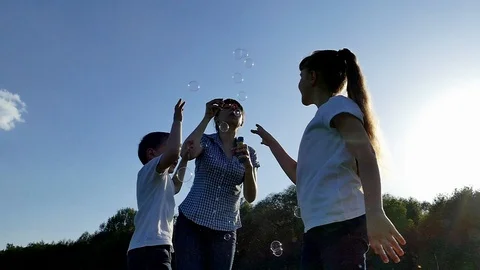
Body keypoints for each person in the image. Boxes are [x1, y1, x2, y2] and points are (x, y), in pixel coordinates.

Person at [251, 49, 406, 269]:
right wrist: (272, 144)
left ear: (312, 77)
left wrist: (375, 211)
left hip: (341, 224)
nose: (299, 84)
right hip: (318, 227)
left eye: (301, 76)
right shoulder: (323, 117)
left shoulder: (336, 106)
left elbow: (365, 154)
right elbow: (299, 176)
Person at [174, 98, 260, 270]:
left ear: (242, 120)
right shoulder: (206, 141)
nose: (234, 108)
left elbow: (250, 197)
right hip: (191, 223)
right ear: (217, 118)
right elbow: (185, 152)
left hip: (225, 229)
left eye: (238, 108)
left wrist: (249, 167)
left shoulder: (249, 152)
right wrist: (206, 117)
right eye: (227, 106)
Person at [126, 99, 186, 270]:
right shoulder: (149, 170)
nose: (176, 153)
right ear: (151, 154)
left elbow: (177, 186)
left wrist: (186, 158)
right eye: (168, 147)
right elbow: (174, 152)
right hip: (150, 247)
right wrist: (177, 120)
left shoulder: (162, 180)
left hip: (150, 247)